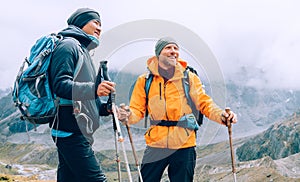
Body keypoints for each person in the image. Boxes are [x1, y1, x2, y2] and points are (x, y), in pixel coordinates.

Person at [118, 37, 238, 182]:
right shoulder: (145, 80)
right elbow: (137, 110)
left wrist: (222, 116)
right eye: (168, 48)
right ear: (158, 53)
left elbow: (204, 103)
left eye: (176, 49)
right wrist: (128, 115)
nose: (173, 51)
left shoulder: (189, 78)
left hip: (184, 144)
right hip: (156, 143)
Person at [48, 8, 115, 182]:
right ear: (80, 22)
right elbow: (60, 85)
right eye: (95, 22)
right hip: (71, 130)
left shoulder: (82, 51)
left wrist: (105, 108)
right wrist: (95, 89)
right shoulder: (68, 45)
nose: (99, 28)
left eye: (101, 24)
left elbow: (85, 99)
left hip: (76, 129)